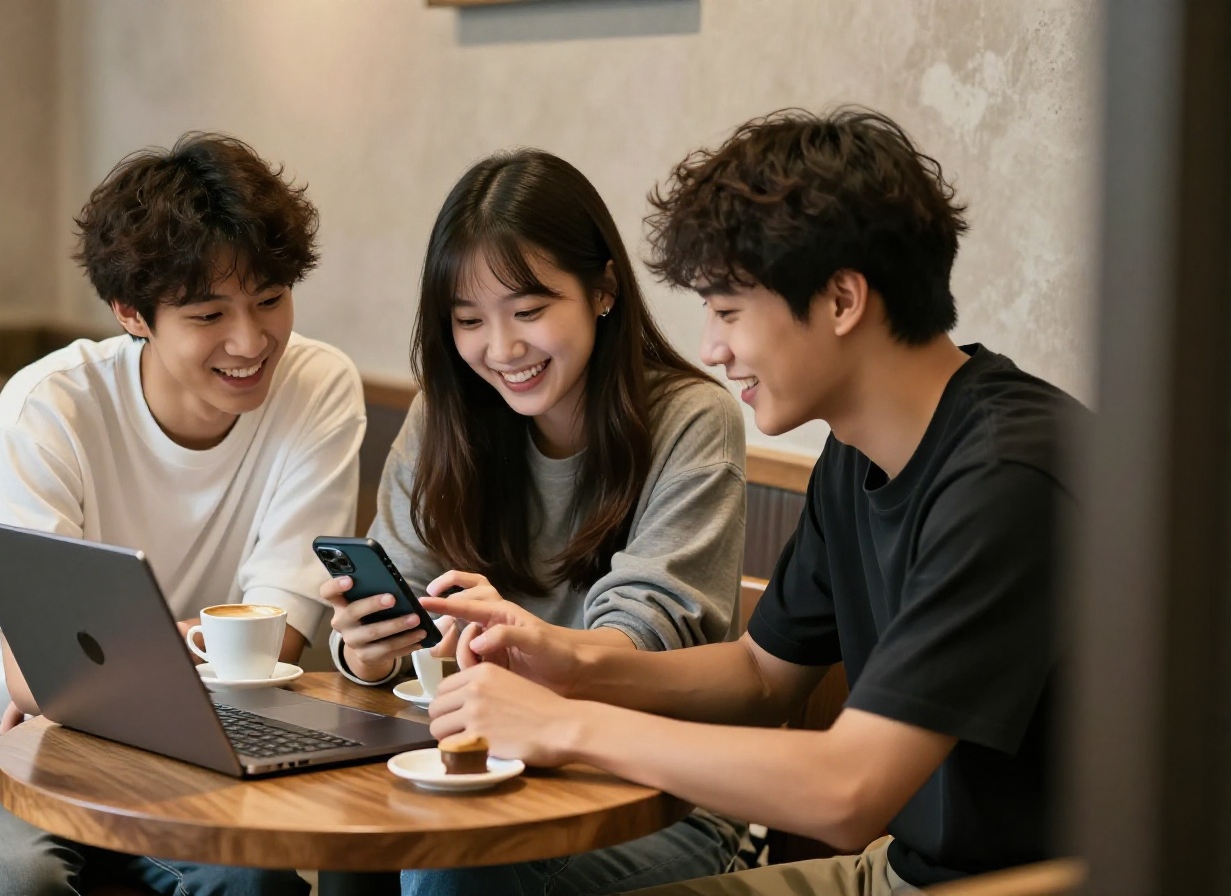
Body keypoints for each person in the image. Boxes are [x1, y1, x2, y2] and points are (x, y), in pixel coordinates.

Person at [420, 108, 1084, 895]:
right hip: (891, 873)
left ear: (842, 300)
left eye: (728, 311)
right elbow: (760, 674)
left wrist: (564, 725)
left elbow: (847, 791)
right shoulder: (857, 452)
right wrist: (566, 662)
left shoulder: (1011, 472)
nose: (710, 348)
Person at [0, 133, 359, 896]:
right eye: (209, 314)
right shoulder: (49, 407)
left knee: (257, 888)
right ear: (132, 314)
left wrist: (111, 673)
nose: (251, 342)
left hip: (202, 746)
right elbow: (34, 679)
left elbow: (276, 633)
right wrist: (175, 655)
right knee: (21, 884)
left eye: (271, 301)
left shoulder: (319, 388)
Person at [320, 149, 749, 895]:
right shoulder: (445, 416)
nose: (503, 348)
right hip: (482, 769)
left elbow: (646, 635)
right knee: (349, 840)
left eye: (528, 311)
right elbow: (400, 598)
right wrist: (368, 651)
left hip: (655, 798)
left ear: (603, 289)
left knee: (446, 871)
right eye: (468, 321)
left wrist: (521, 641)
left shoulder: (689, 420)